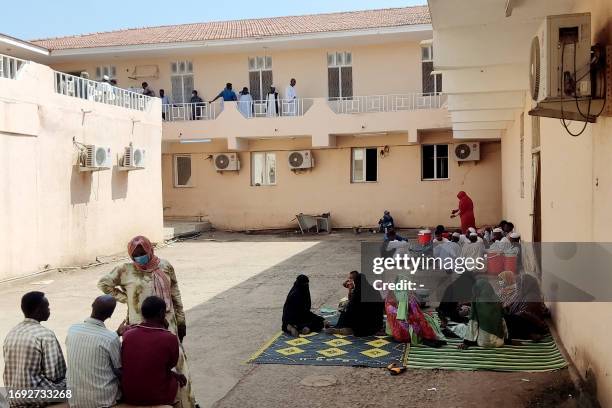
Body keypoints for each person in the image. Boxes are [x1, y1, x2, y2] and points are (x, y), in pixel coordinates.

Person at [98, 235, 195, 408]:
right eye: (136, 255)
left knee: (178, 365)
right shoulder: (124, 269)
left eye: (142, 253)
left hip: (167, 322)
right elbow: (104, 284)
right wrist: (127, 299)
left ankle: (186, 403)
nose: (139, 257)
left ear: (150, 250)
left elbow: (175, 294)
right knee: (145, 362)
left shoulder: (165, 266)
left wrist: (181, 321)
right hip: (138, 323)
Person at [3, 292, 66, 407]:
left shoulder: (12, 333)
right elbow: (55, 374)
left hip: (14, 396)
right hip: (35, 397)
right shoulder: (45, 335)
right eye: (47, 307)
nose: (49, 310)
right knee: (75, 382)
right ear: (38, 310)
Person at [121, 296, 186, 407]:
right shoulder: (169, 338)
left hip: (129, 395)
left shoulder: (128, 334)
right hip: (157, 397)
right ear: (161, 314)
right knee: (182, 378)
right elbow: (170, 365)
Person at [66, 295, 122, 408]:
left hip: (74, 399)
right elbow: (119, 369)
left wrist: (116, 334)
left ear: (92, 306)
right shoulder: (110, 338)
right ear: (110, 315)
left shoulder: (73, 329)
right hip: (103, 400)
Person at [385, 277, 446, 347]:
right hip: (402, 330)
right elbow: (403, 316)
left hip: (400, 325)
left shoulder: (398, 296)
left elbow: (413, 312)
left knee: (427, 318)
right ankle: (428, 338)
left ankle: (430, 337)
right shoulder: (400, 297)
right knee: (423, 321)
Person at [454, 279, 509, 349]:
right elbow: (503, 322)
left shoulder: (476, 301)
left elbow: (473, 323)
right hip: (499, 342)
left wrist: (466, 342)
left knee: (461, 328)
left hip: (483, 343)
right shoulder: (497, 299)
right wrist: (507, 339)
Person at [327, 271, 384, 336]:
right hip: (377, 325)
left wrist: (350, 289)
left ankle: (342, 327)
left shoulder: (357, 294)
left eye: (351, 279)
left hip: (363, 328)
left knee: (345, 307)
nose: (349, 280)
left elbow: (351, 307)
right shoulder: (374, 290)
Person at [498, 272, 548, 340]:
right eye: (517, 284)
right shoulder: (520, 294)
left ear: (526, 285)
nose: (517, 286)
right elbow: (510, 306)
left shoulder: (532, 297)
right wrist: (502, 309)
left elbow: (526, 316)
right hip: (520, 320)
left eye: (519, 284)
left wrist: (510, 317)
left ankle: (529, 335)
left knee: (503, 321)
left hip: (530, 325)